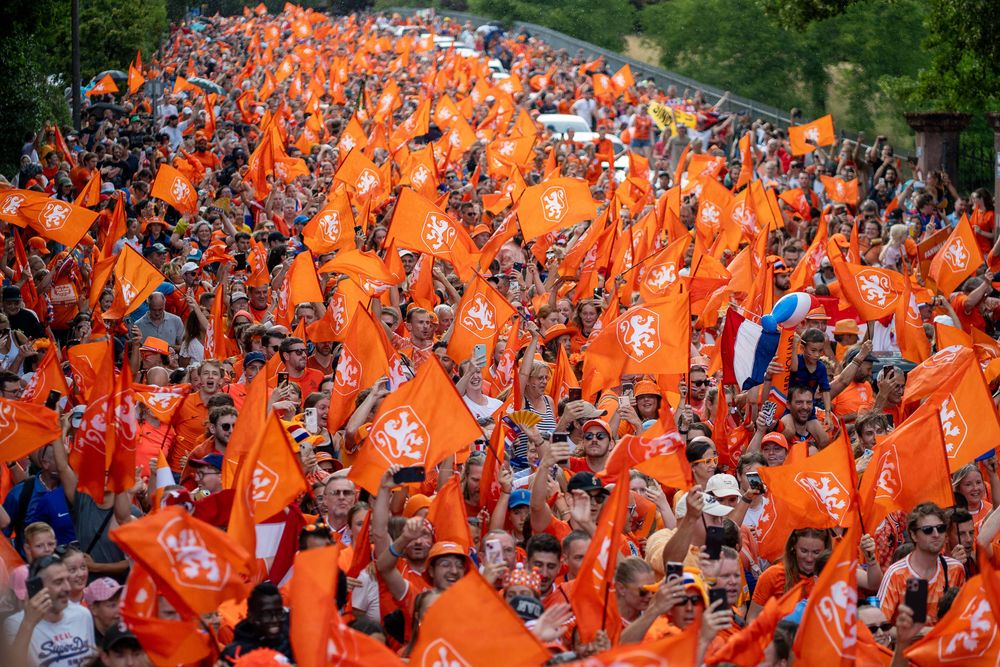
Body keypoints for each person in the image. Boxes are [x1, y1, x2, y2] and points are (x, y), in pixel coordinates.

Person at [878, 502, 966, 624]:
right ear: (913, 535)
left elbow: (963, 619)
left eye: (940, 528)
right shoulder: (896, 574)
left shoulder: (956, 569)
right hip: (910, 643)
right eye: (927, 530)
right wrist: (926, 633)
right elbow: (879, 628)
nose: (936, 534)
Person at [5, 554, 96, 666]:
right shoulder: (15, 624)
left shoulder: (83, 615)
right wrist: (28, 624)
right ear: (38, 588)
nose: (67, 587)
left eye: (67, 579)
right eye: (58, 582)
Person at [220, 582, 293, 664]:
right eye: (266, 615)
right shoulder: (233, 655)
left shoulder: (293, 644)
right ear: (251, 616)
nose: (275, 620)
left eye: (279, 613)